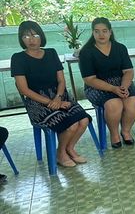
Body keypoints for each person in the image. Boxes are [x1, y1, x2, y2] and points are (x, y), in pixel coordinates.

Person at [11, 21, 91, 167]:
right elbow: (24, 89)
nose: (31, 39)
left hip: (60, 95)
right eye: (26, 37)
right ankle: (60, 154)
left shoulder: (51, 53)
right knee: (71, 125)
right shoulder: (18, 58)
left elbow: (61, 80)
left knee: (84, 120)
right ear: (21, 39)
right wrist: (51, 103)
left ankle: (69, 148)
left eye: (35, 35)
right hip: (37, 102)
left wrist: (58, 98)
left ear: (41, 36)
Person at [78, 17, 135, 149]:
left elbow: (128, 71)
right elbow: (89, 79)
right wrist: (113, 89)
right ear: (92, 33)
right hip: (97, 86)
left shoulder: (120, 48)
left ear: (110, 32)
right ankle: (114, 134)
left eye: (104, 31)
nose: (101, 35)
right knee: (114, 104)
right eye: (97, 31)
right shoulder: (86, 52)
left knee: (133, 101)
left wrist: (124, 86)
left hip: (121, 82)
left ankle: (125, 131)